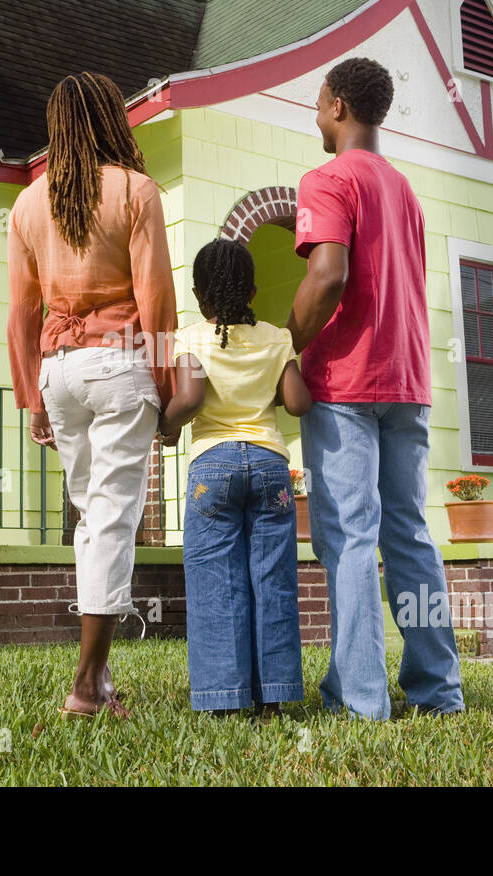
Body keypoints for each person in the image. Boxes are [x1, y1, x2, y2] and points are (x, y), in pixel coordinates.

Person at [286, 57, 464, 720]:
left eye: (316, 101)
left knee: (352, 537)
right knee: (410, 534)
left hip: (346, 383)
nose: (314, 114)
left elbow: (327, 274)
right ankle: (438, 693)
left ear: (336, 105)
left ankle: (361, 702)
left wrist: (287, 342)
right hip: (408, 380)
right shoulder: (405, 190)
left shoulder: (327, 179)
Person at [6, 71, 177, 718]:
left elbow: (20, 314)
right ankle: (84, 684)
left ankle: (99, 681)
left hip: (59, 373)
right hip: (119, 366)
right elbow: (156, 302)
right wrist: (165, 389)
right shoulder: (135, 191)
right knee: (112, 519)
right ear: (112, 120)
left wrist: (32, 399)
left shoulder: (27, 205)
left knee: (89, 518)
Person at [159, 239, 311, 718]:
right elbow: (298, 401)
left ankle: (223, 699)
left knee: (215, 580)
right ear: (252, 288)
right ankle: (275, 696)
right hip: (270, 467)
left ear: (200, 292)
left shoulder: (191, 337)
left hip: (213, 465)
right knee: (274, 580)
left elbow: (189, 401)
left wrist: (165, 429)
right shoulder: (276, 337)